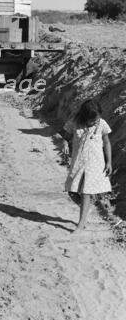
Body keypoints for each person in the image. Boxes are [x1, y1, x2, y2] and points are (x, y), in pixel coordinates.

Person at [61, 100, 113, 233]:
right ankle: (87, 207)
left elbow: (106, 143)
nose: (96, 121)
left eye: (97, 119)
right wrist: (65, 143)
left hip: (95, 164)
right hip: (78, 163)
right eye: (93, 120)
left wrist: (109, 162)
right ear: (84, 117)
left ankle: (81, 224)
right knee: (72, 191)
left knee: (85, 193)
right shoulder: (74, 122)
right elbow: (65, 136)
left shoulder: (102, 124)